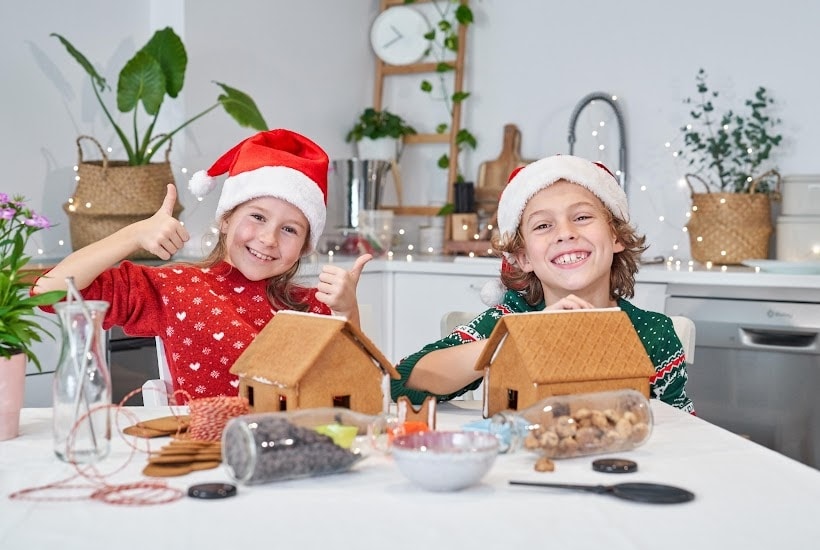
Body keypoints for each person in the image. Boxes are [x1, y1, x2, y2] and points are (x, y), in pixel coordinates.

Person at [34, 129, 372, 400]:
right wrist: (133, 236)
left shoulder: (311, 307)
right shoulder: (176, 287)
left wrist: (347, 311)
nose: (269, 239)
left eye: (289, 229)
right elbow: (48, 292)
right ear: (225, 220)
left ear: (303, 247)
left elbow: (358, 387)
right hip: (204, 457)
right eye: (257, 217)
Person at [391, 154, 694, 413]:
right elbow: (403, 381)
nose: (565, 233)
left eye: (582, 217)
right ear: (523, 258)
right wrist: (521, 340)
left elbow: (682, 433)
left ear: (616, 237)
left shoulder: (654, 334)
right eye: (543, 225)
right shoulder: (509, 319)